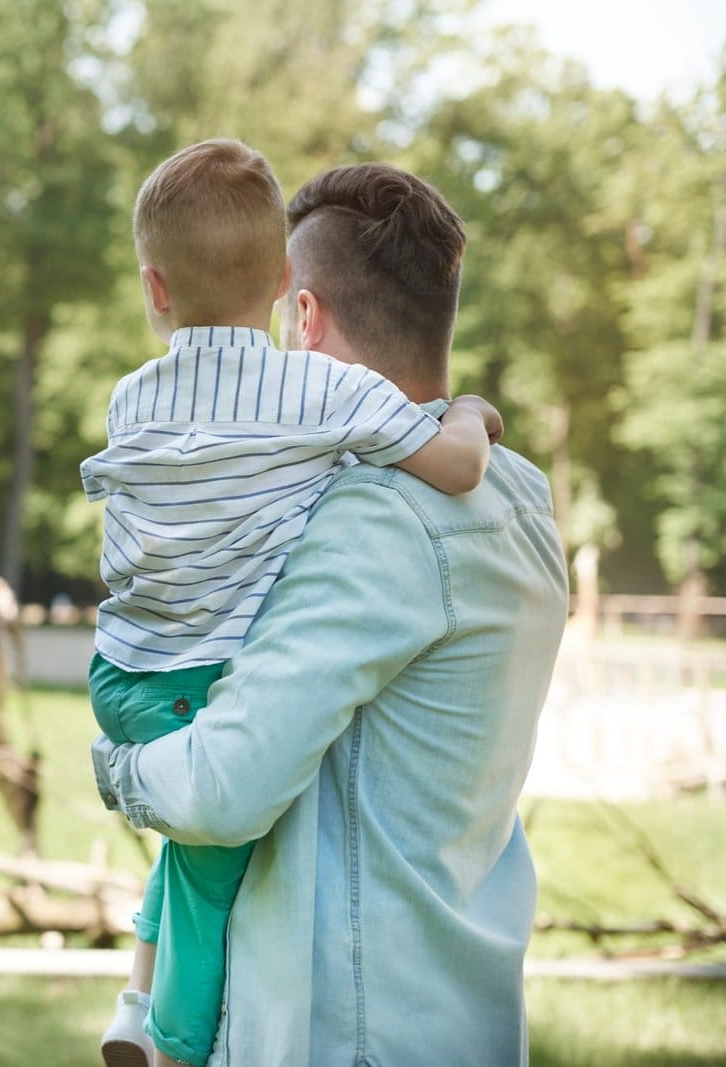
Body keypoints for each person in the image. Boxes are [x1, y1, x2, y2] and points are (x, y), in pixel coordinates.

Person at [92, 161, 568, 1066]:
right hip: (462, 1005)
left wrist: (120, 769)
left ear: (302, 314)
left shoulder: (372, 520)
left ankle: (151, 1021)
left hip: (344, 1028)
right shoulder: (524, 495)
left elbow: (224, 787)